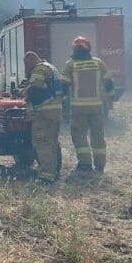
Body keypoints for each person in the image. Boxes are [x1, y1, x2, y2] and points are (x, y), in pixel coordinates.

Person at [61, 36, 113, 174]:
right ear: (89, 49)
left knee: (79, 135)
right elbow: (108, 82)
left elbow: (64, 86)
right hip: (96, 107)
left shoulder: (70, 64)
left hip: (78, 108)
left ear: (74, 49)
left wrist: (63, 103)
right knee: (98, 135)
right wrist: (110, 97)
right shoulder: (98, 63)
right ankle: (100, 165)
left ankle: (85, 164)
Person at [23, 51, 62, 182]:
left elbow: (34, 89)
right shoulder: (51, 67)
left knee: (42, 144)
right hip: (55, 112)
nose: (26, 68)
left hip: (43, 114)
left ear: (30, 61)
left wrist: (23, 93)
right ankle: (53, 172)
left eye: (26, 64)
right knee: (52, 144)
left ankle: (45, 176)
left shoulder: (39, 70)